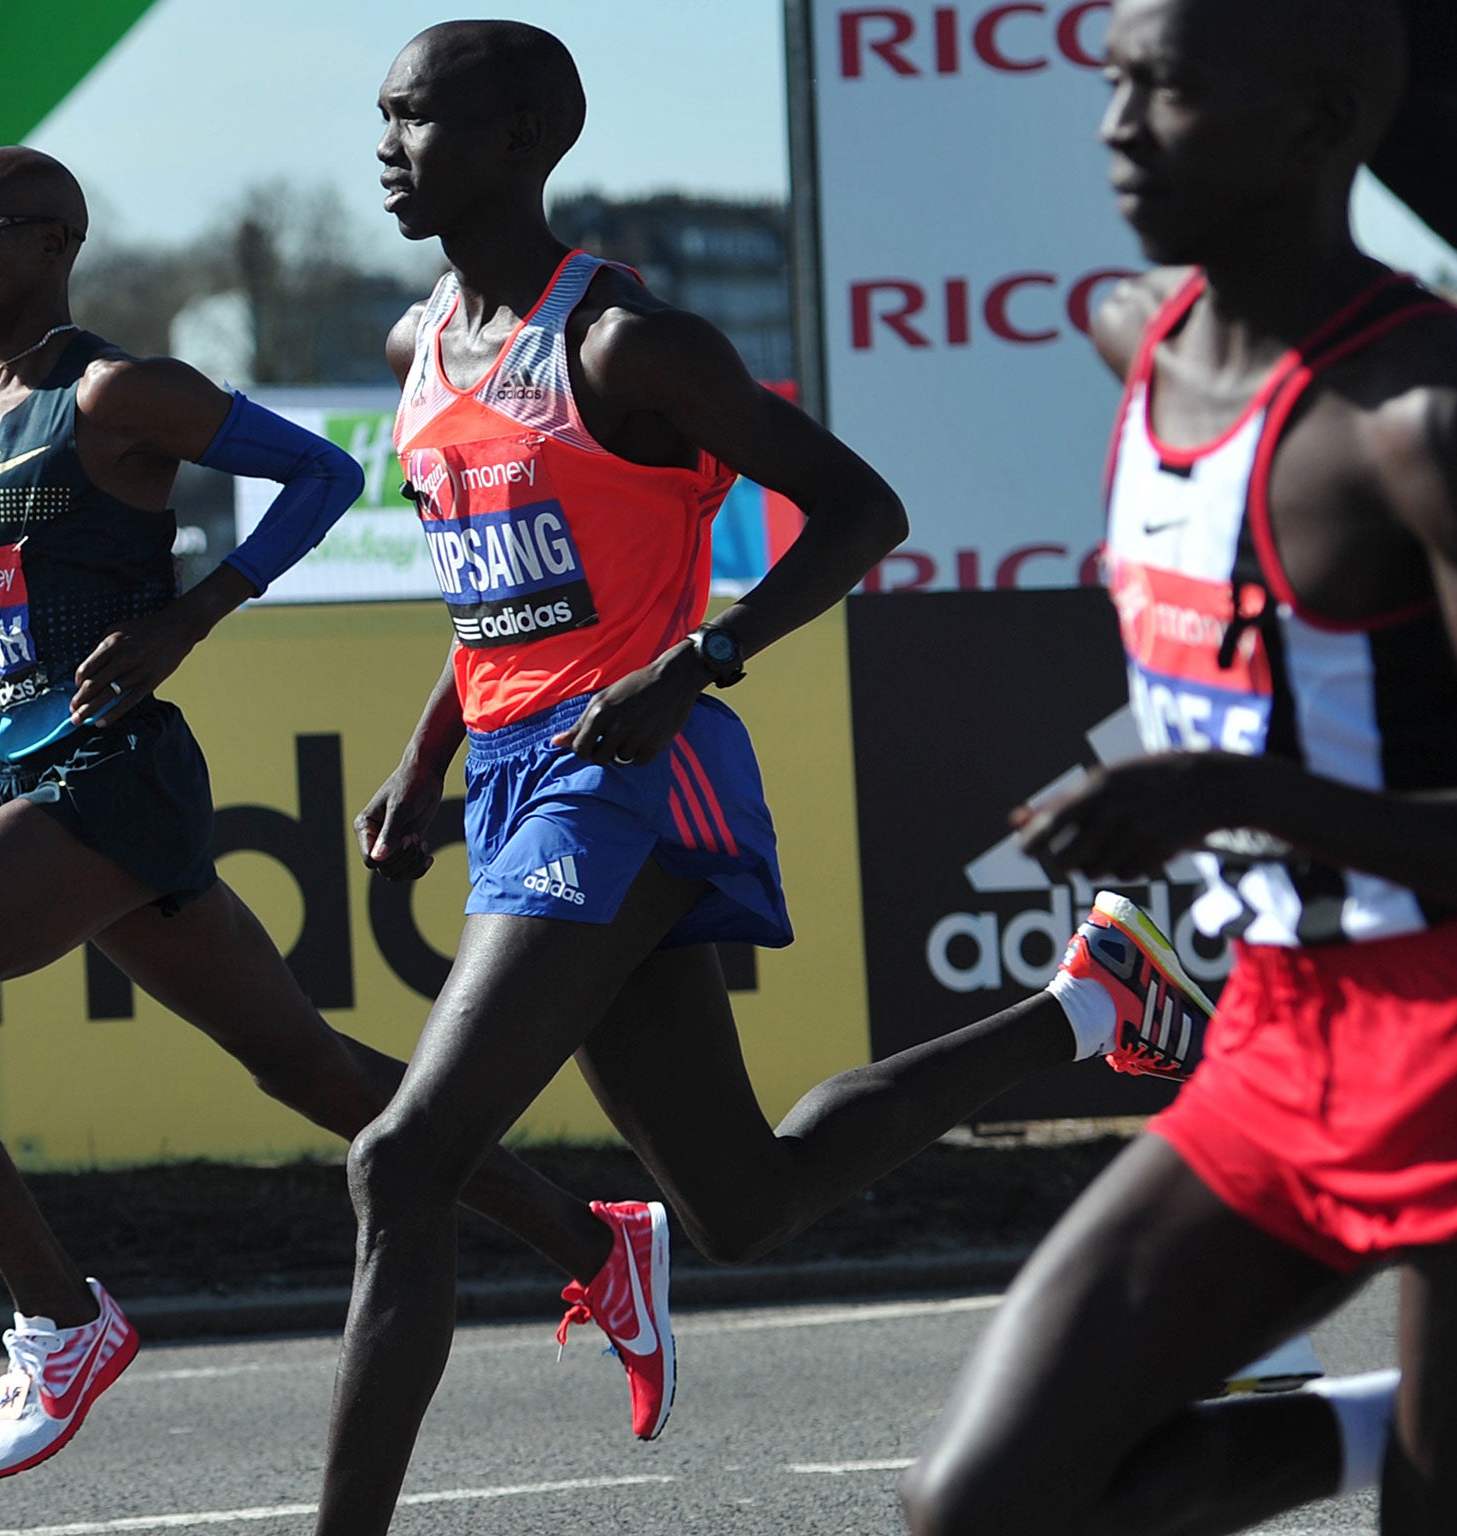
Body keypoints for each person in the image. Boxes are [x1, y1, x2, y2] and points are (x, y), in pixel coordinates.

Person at [308, 24, 1229, 1533]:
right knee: (741, 1205)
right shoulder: (419, 348)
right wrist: (427, 761)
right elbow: (492, 605)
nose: (388, 148)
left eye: (419, 119)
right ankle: (1089, 1002)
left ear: (531, 132)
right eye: (384, 117)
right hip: (518, 776)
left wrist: (699, 662)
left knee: (405, 1160)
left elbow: (864, 512)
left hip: (633, 773)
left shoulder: (625, 344)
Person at [0, 146, 650, 1483]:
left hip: (113, 774)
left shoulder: (118, 391)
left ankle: (58, 1315)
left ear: (49, 242)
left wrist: (193, 613)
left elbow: (321, 474)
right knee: (306, 1068)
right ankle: (597, 1244)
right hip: (39, 771)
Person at [903, 0, 1457, 1532]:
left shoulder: (1424, 412)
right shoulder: (1131, 333)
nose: (1116, 126)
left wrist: (1239, 794)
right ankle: (1421, 1425)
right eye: (1113, 79)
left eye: (1171, 88)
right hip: (1276, 1038)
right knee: (979, 1507)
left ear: (1322, 125)